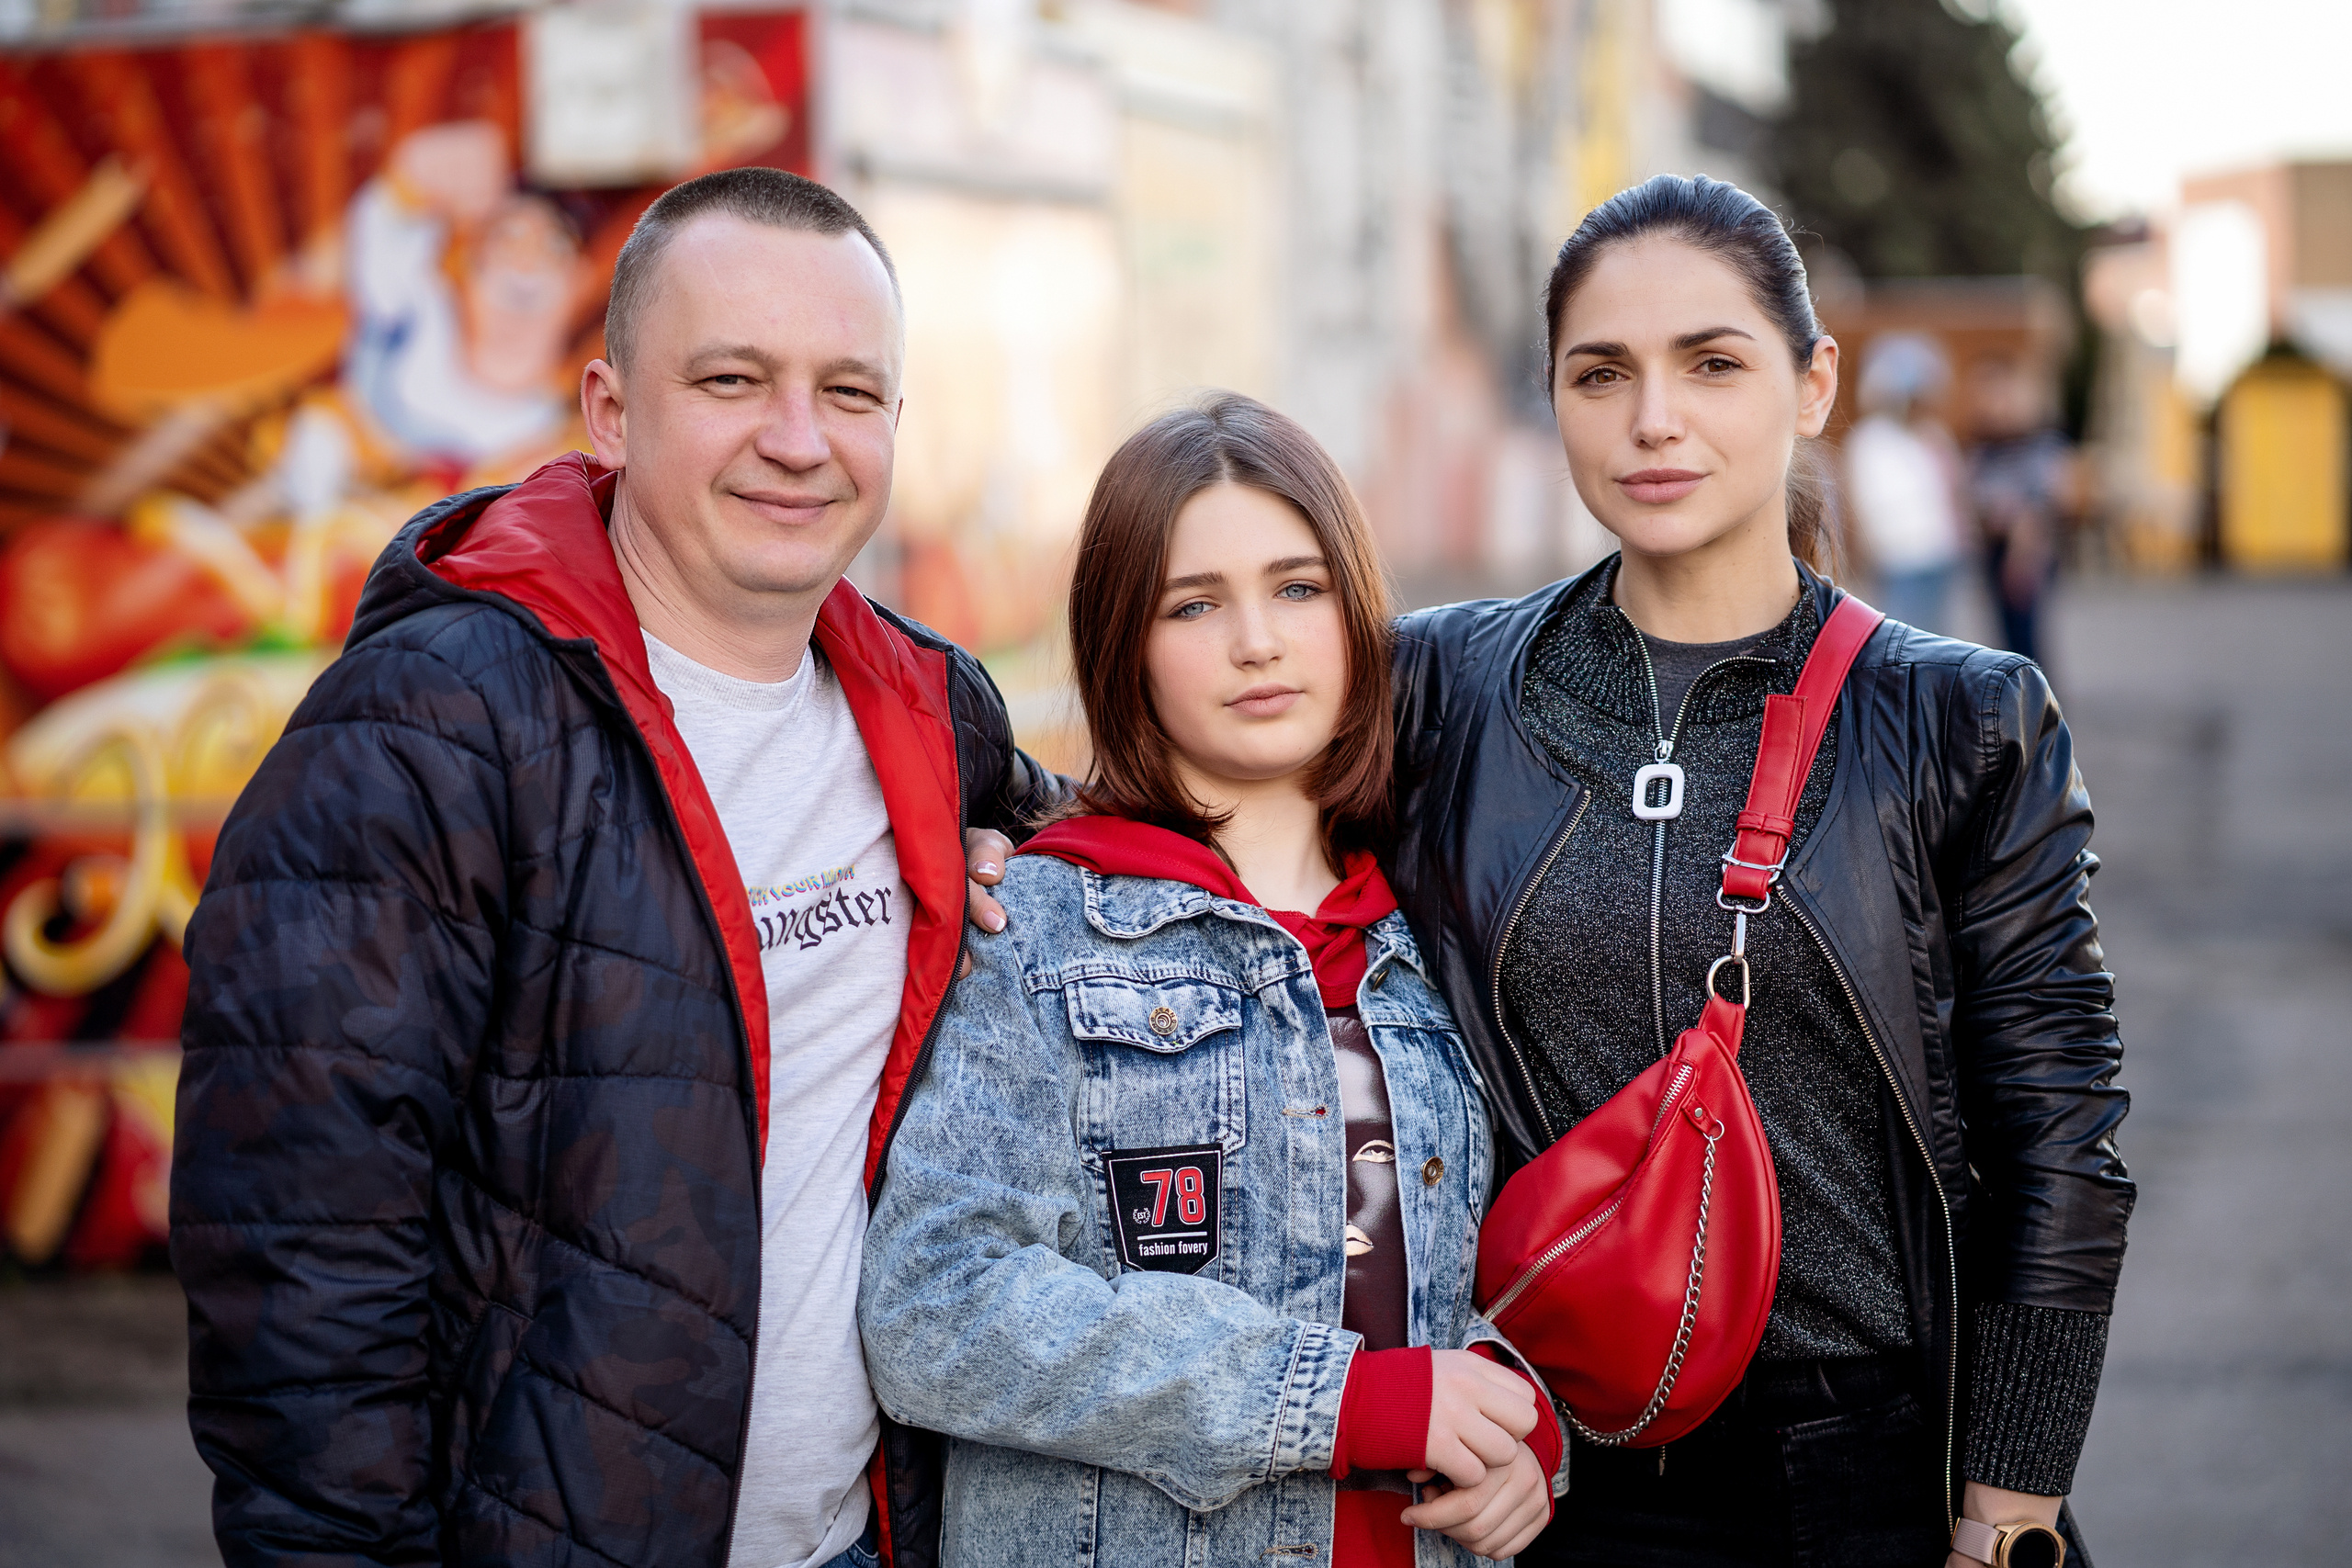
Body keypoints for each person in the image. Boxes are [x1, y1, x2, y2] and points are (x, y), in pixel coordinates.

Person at [956, 175, 2132, 1568]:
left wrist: (2008, 1498)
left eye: (1712, 362)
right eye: (1602, 373)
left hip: (1856, 1455)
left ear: (1812, 382)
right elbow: (1211, 771)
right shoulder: (1451, 682)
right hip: (1532, 1455)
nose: (1654, 418)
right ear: (1555, 396)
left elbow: (2060, 1133)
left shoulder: (1959, 720)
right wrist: (1006, 822)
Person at [172, 167, 1061, 1568]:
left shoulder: (938, 715)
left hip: (869, 1537)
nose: (795, 439)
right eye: (731, 378)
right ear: (610, 408)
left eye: (848, 392)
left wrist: (1024, 870)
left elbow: (1132, 881)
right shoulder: (424, 732)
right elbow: (299, 1267)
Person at [862, 394, 1567, 1566]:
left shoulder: (1439, 936)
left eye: (1298, 589)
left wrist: (1525, 1431)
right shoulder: (1038, 926)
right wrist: (1337, 1402)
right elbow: (935, 1306)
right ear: (1123, 643)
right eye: (1194, 604)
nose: (1258, 640)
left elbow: (1487, 1279)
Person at [1845, 333, 1965, 635]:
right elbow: (1862, 501)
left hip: (1938, 552)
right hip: (1897, 557)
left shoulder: (1932, 435)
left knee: (1935, 636)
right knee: (1901, 637)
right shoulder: (1870, 439)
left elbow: (1951, 489)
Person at [1966, 353, 2075, 666]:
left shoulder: (2034, 442)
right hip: (1994, 546)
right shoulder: (1987, 444)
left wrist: (2023, 554)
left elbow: (2043, 503)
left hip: (2022, 550)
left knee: (2024, 635)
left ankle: (2035, 703)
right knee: (2007, 634)